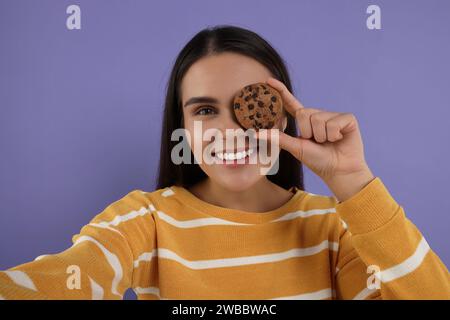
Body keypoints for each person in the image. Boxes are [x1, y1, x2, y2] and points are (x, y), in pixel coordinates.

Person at [1, 25, 449, 300]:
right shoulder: (145, 221)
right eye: (205, 110)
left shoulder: (332, 229)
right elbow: (66, 279)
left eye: (248, 106)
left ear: (283, 112)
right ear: (182, 127)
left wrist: (354, 183)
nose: (231, 132)